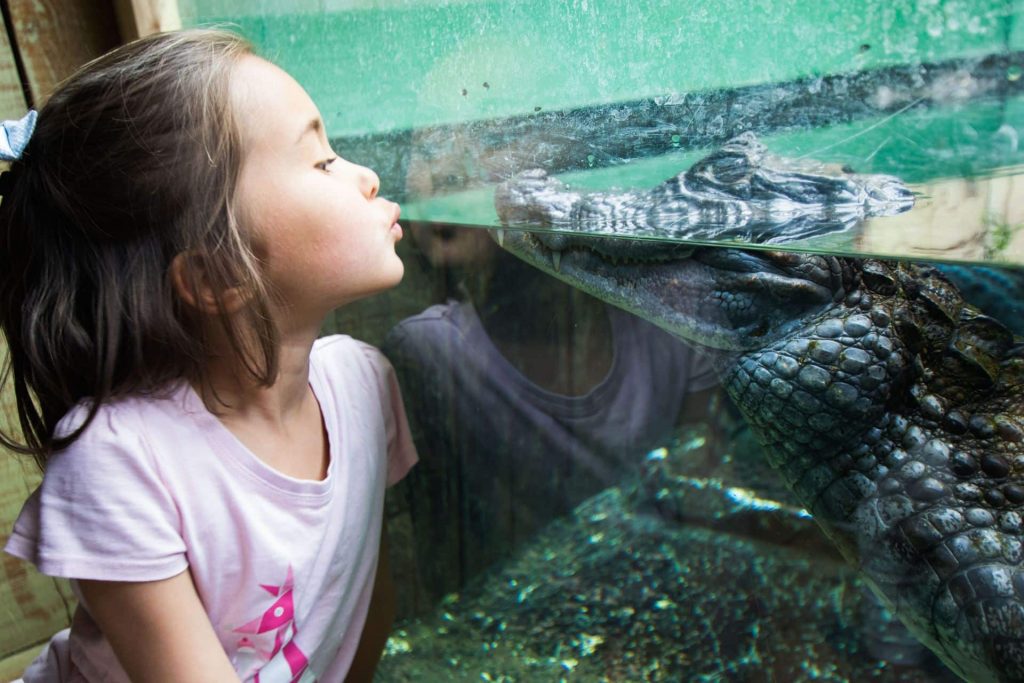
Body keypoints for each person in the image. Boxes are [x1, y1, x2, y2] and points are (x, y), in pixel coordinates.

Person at [0, 29, 417, 682]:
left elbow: (365, 608)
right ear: (220, 275)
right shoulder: (122, 464)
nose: (365, 176)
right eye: (322, 162)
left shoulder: (365, 382)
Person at [382, 224, 719, 607]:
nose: (434, 184)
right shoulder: (429, 352)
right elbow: (447, 560)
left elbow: (706, 482)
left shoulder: (678, 311)